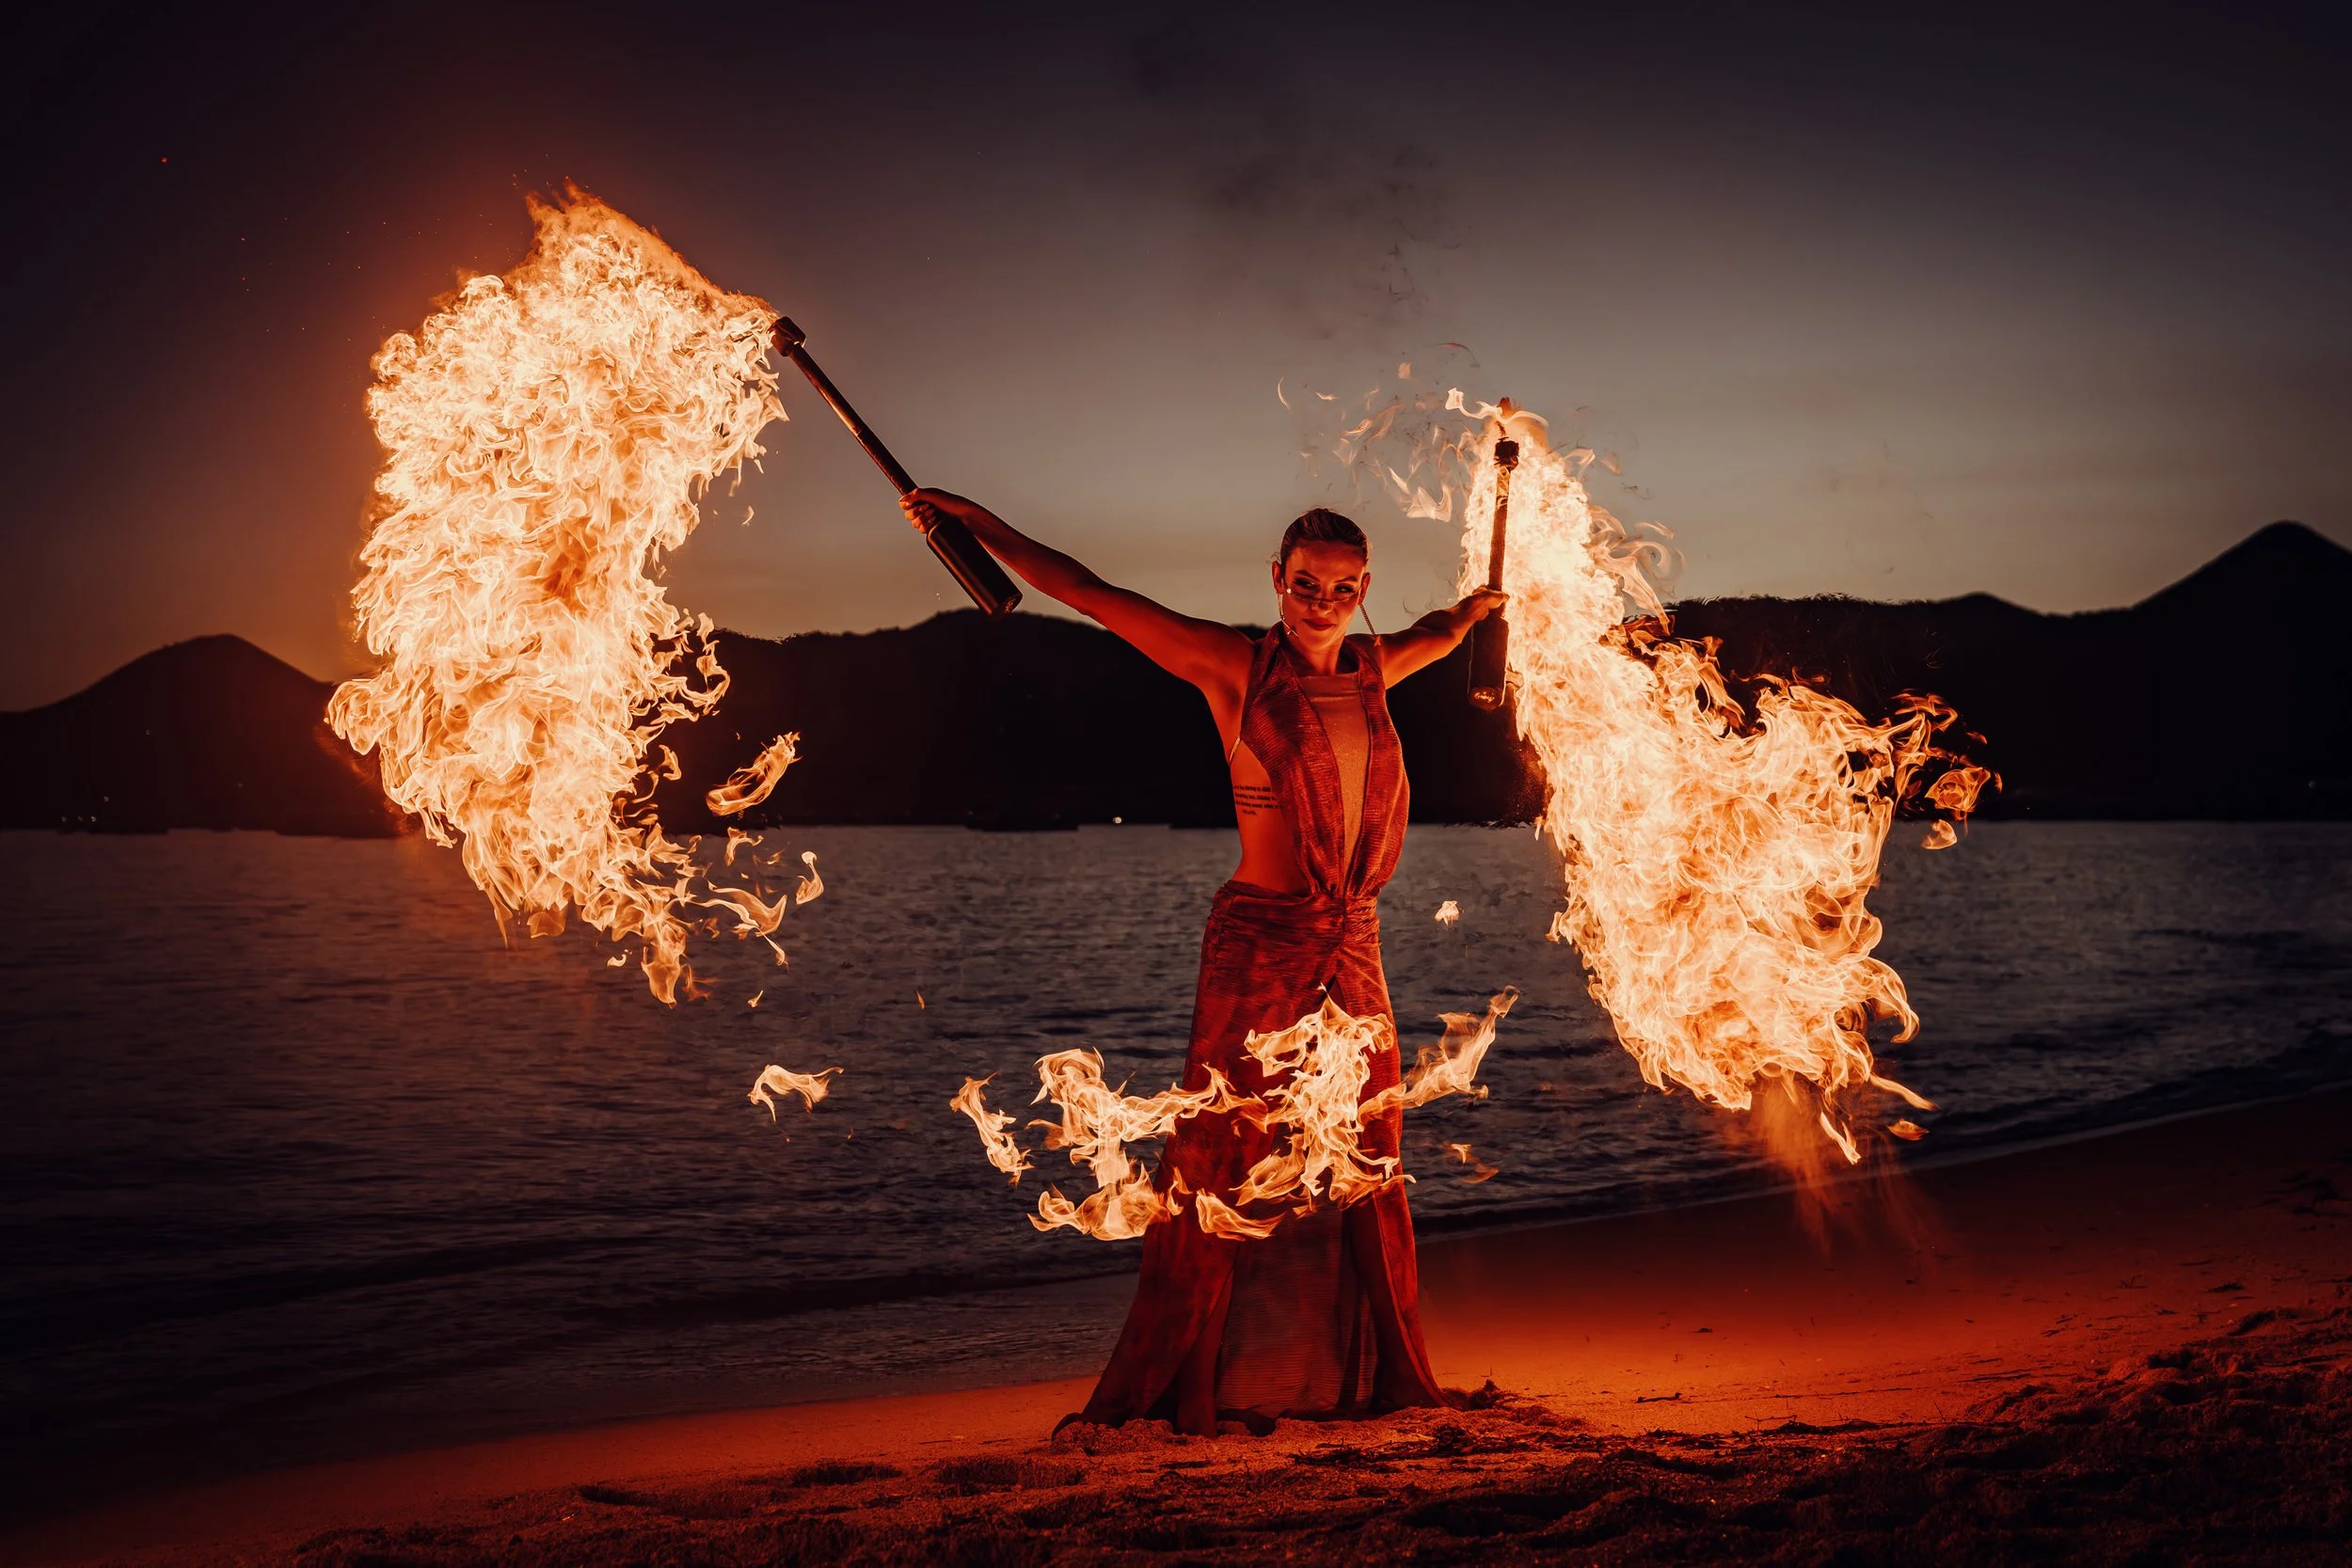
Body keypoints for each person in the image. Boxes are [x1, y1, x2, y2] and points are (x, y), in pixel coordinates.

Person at [903, 489, 1504, 1436]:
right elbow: (1092, 593)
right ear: (1276, 580)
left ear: (1361, 590)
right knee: (1222, 1156)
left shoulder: (1372, 668)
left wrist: (1474, 611)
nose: (1322, 602)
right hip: (1259, 939)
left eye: (1342, 588)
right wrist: (975, 523)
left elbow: (1438, 628)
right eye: (1304, 584)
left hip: (1353, 936)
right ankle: (1190, 1390)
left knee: (1370, 1150)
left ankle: (1394, 1374)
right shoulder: (1234, 668)